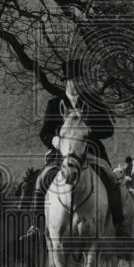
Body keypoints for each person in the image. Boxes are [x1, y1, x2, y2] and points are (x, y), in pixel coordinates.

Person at [37, 57, 126, 233]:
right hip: (62, 154)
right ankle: (37, 225)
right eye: (72, 80)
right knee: (41, 180)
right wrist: (56, 141)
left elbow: (108, 129)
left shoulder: (94, 101)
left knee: (111, 178)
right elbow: (44, 132)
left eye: (79, 79)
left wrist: (86, 131)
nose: (76, 83)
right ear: (66, 82)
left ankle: (119, 221)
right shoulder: (54, 104)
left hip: (91, 152)